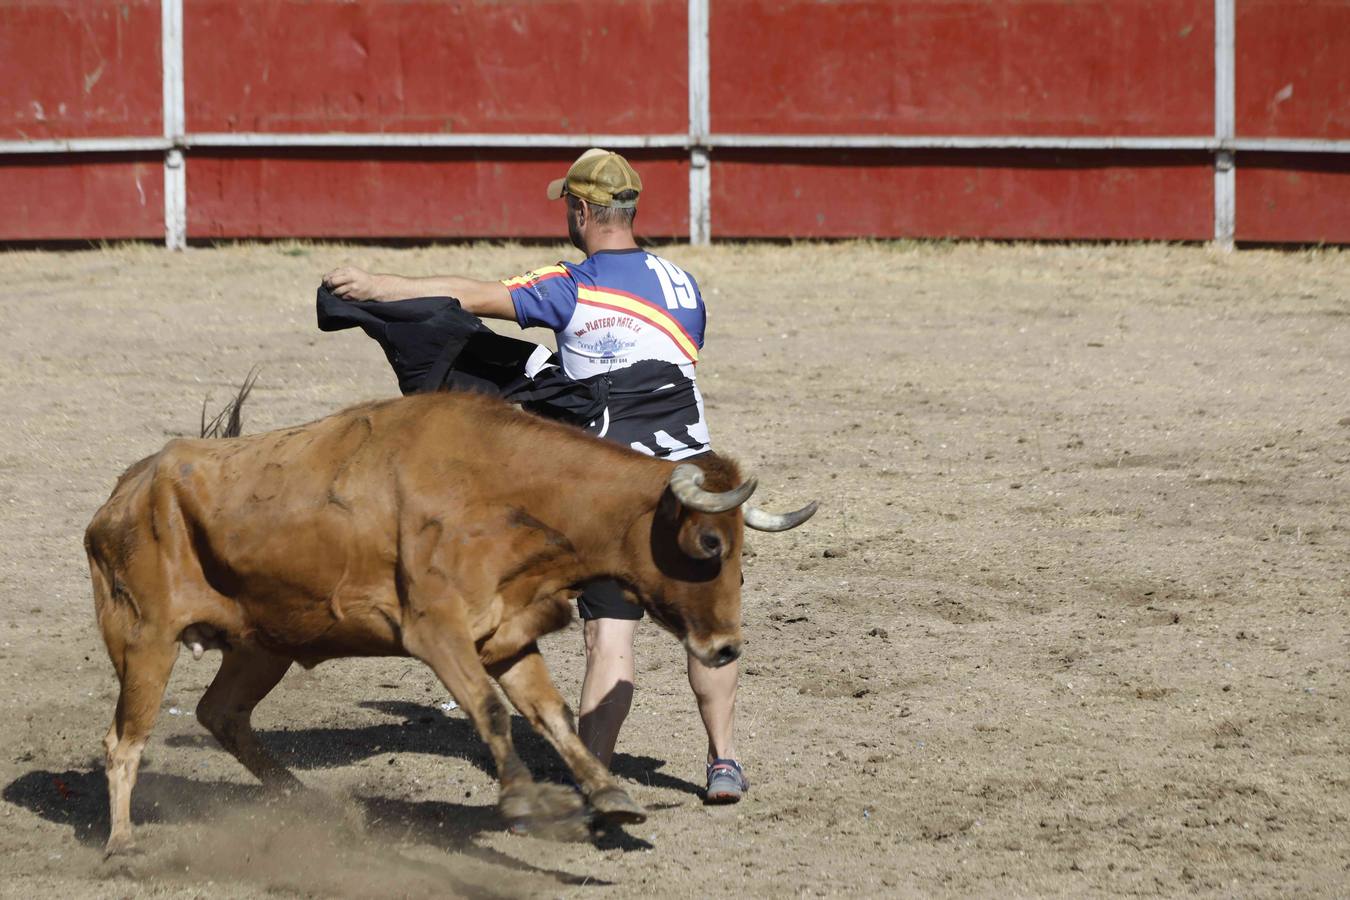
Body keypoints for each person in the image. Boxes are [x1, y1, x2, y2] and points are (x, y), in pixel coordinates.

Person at [323, 149, 749, 803]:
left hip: (616, 498)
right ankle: (724, 763)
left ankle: (596, 775)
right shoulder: (684, 286)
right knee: (709, 628)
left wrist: (375, 284)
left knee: (610, 638)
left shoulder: (569, 286)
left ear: (582, 212)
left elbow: (467, 296)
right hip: (695, 483)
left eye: (566, 208)